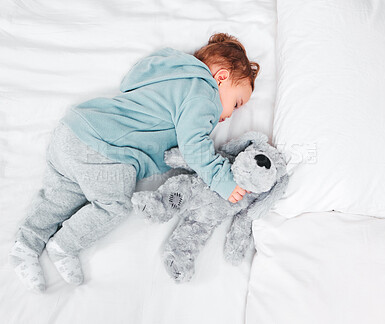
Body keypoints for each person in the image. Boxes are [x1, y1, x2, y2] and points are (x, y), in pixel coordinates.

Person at [9, 33, 260, 292]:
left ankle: (26, 244)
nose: (229, 116)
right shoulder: (204, 94)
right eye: (236, 103)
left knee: (60, 197)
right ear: (221, 78)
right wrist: (222, 180)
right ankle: (64, 245)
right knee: (115, 205)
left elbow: (131, 83)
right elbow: (194, 145)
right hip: (106, 150)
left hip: (74, 130)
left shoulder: (166, 71)